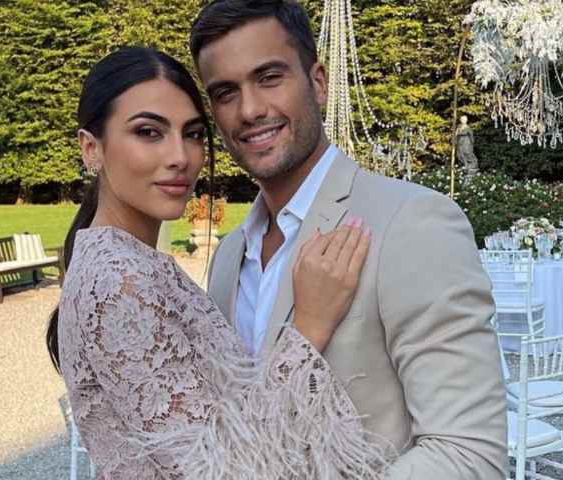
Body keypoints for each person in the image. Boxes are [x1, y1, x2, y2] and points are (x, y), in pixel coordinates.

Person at [191, 1, 508, 478]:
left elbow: (468, 455)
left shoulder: (411, 223)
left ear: (317, 82)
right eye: (225, 92)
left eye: (270, 77)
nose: (250, 109)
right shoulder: (229, 256)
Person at [46, 46, 392, 479]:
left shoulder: (124, 260)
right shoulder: (119, 279)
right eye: (149, 132)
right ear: (91, 148)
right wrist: (309, 327)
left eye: (192, 134)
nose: (180, 156)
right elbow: (219, 471)